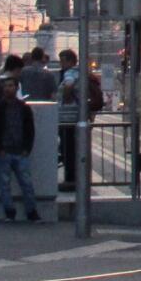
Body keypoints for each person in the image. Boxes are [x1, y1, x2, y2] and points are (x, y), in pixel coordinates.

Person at [0, 76, 40, 222]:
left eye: (10, 86)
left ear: (16, 88)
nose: (7, 88)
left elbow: (30, 130)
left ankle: (22, 212)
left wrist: (26, 148)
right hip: (6, 150)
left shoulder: (22, 108)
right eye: (5, 86)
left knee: (20, 183)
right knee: (14, 183)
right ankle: (21, 212)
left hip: (17, 150)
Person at [58, 49, 79, 190]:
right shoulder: (79, 72)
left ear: (71, 61)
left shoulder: (70, 73)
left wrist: (65, 98)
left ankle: (70, 179)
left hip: (68, 117)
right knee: (71, 148)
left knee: (68, 149)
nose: (61, 64)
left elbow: (69, 85)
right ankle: (73, 177)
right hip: (75, 115)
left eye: (63, 61)